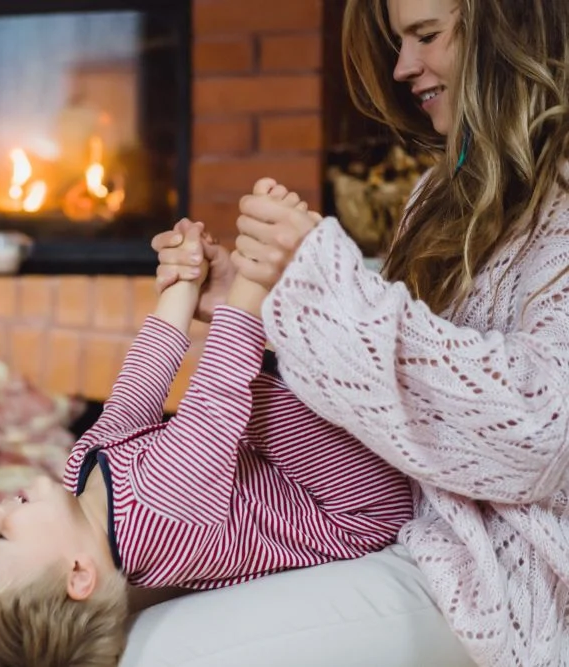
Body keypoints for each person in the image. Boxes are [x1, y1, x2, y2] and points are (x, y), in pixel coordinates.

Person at [152, 1, 569, 666]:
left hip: (497, 577)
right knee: (132, 600)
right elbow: (395, 398)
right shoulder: (435, 195)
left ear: (511, 27)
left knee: (167, 651)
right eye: (398, 41)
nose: (403, 66)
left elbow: (545, 432)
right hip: (396, 524)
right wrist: (256, 300)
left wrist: (324, 282)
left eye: (426, 35)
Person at [0, 186, 414, 667]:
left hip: (293, 471)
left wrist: (182, 283)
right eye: (0, 536)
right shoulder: (158, 507)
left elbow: (138, 387)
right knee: (246, 389)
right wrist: (259, 266)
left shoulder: (83, 480)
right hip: (357, 503)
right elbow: (220, 382)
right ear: (78, 575)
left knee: (245, 391)